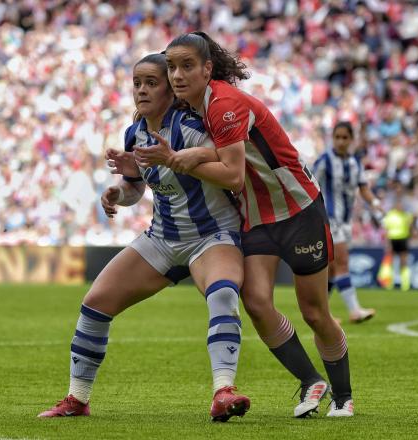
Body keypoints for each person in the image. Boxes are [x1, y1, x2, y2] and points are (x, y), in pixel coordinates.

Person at [135, 32, 354, 417]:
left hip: (299, 210)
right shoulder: (192, 108)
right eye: (171, 67)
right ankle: (310, 382)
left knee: (315, 312)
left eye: (187, 66)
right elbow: (213, 150)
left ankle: (344, 396)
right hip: (255, 217)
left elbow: (233, 175)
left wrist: (177, 159)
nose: (177, 75)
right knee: (254, 302)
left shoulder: (224, 104)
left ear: (207, 68)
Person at [38, 53, 251, 422]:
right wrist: (118, 194)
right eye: (137, 83)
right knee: (95, 304)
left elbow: (229, 162)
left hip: (211, 235)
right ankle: (77, 399)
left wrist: (183, 157)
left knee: (223, 293)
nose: (142, 90)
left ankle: (223, 391)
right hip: (162, 238)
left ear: (170, 88)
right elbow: (137, 188)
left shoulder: (189, 125)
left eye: (152, 82)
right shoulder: (135, 133)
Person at [312, 121, 382, 323]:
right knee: (342, 262)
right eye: (337, 137)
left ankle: (321, 314)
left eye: (345, 137)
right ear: (332, 138)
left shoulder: (355, 163)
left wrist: (375, 203)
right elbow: (309, 184)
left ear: (351, 140)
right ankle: (355, 310)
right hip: (329, 218)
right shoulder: (325, 160)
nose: (341, 141)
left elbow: (363, 187)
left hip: (345, 221)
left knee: (333, 270)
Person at [378, 193, 414, 291]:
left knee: (404, 262)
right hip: (392, 239)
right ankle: (388, 283)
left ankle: (405, 285)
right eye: (398, 204)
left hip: (403, 239)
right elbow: (386, 230)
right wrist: (387, 242)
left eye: (401, 204)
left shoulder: (406, 216)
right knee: (390, 262)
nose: (399, 206)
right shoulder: (390, 215)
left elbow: (410, 229)